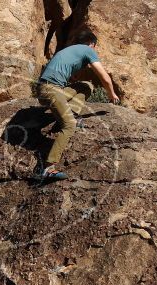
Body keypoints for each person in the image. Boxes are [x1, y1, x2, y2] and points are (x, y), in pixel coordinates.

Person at [36, 30, 120, 180]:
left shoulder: (69, 50)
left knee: (85, 85)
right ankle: (48, 168)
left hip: (47, 89)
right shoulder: (88, 50)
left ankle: (72, 113)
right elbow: (104, 77)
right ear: (92, 44)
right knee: (69, 125)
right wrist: (111, 94)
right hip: (51, 90)